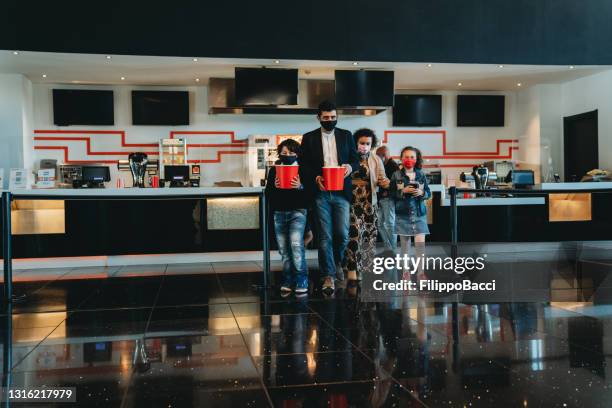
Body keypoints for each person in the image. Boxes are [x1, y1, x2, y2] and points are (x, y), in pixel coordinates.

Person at [299, 100, 360, 293]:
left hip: (341, 192)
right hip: (320, 193)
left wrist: (350, 167)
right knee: (324, 236)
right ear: (319, 118)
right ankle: (328, 276)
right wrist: (315, 177)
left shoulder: (346, 135)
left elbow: (355, 160)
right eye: (326, 118)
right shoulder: (308, 138)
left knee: (341, 235)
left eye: (333, 117)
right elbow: (303, 165)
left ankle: (336, 264)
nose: (330, 120)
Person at [265, 139, 310, 295]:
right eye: (284, 153)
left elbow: (310, 196)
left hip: (298, 212)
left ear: (297, 154)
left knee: (296, 246)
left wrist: (300, 187)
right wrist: (275, 187)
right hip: (279, 213)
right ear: (279, 154)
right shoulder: (274, 170)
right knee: (284, 250)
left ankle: (302, 278)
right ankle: (288, 279)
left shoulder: (303, 170)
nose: (288, 156)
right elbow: (268, 194)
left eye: (291, 153)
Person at [344, 128, 389, 281]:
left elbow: (384, 178)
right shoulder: (348, 157)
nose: (364, 146)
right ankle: (351, 268)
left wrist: (385, 182)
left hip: (370, 202)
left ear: (372, 144)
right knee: (354, 235)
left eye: (368, 143)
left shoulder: (376, 159)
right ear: (355, 143)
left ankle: (366, 268)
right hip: (351, 201)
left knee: (369, 236)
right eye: (361, 143)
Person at [389, 146, 431, 279]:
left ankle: (421, 273)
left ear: (416, 159)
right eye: (406, 157)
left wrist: (422, 193)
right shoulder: (396, 175)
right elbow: (390, 194)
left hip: (419, 214)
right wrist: (402, 192)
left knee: (420, 245)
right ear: (401, 158)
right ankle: (405, 272)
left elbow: (428, 193)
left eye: (412, 157)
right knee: (405, 246)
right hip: (403, 214)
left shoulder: (421, 174)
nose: (409, 159)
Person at [375, 145, 400, 252]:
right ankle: (388, 246)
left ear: (383, 155)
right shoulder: (384, 165)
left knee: (389, 224)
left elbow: (399, 184)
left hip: (389, 199)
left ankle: (392, 249)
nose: (377, 159)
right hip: (381, 198)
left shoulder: (393, 166)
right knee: (380, 224)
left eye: (378, 156)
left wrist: (388, 191)